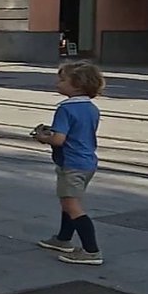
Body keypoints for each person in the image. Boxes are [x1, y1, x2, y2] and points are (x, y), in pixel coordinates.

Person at [33, 60, 105, 266]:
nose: (58, 83)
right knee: (69, 201)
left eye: (62, 79)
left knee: (71, 205)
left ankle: (91, 251)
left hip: (71, 163)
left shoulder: (65, 108)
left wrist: (43, 137)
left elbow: (59, 140)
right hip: (87, 161)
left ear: (77, 84)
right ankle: (63, 239)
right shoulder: (91, 108)